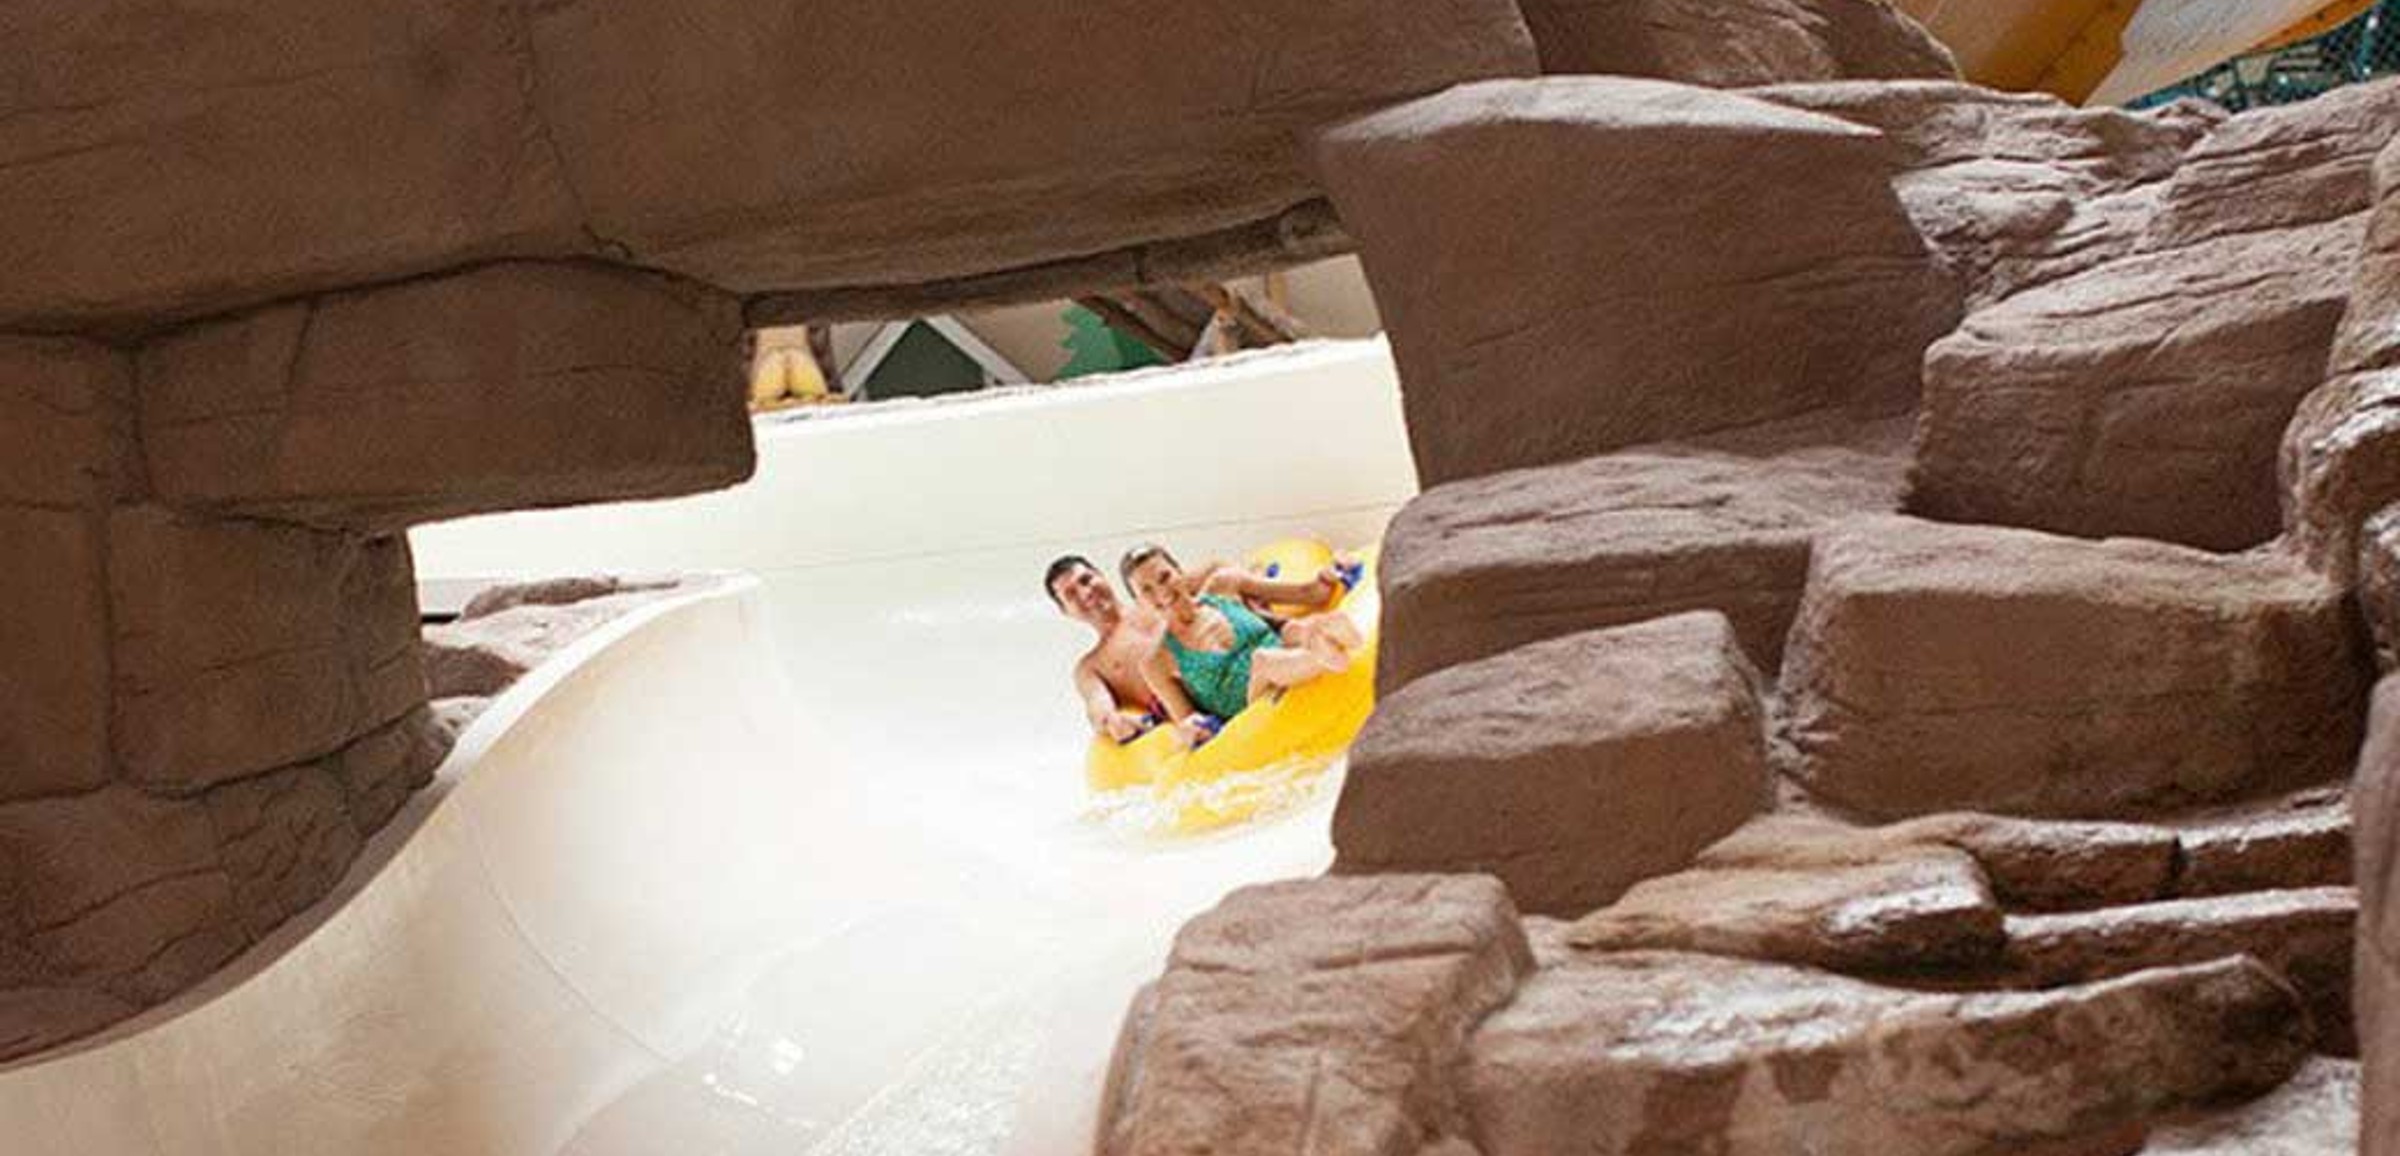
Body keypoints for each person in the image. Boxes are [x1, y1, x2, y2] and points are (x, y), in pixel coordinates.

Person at [1119, 544, 1363, 736]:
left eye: (1164, 577)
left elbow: (1309, 593)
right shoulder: (1156, 661)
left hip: (1283, 651)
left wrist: (1333, 572)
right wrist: (1190, 730)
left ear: (1180, 573)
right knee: (1263, 661)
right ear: (1139, 602)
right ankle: (1322, 657)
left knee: (1298, 629)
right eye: (1146, 590)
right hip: (1253, 703)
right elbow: (1188, 721)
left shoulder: (1223, 586)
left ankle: (1343, 638)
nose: (1162, 592)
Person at [1044, 555, 1172, 743]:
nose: (1085, 593)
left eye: (1086, 580)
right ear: (1065, 611)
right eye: (1071, 594)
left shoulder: (1153, 603)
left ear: (1102, 576)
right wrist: (1112, 721)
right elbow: (1099, 708)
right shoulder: (1091, 667)